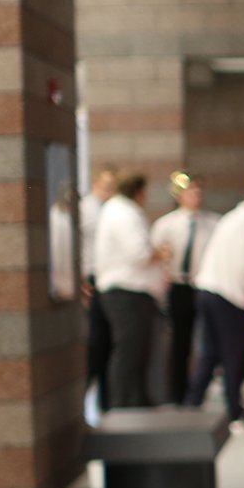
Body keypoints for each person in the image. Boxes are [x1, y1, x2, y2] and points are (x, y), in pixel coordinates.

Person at [192, 176, 244, 429]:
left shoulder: (231, 218)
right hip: (229, 296)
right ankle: (234, 410)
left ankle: (191, 403)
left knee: (210, 353)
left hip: (208, 289)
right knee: (234, 355)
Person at [93, 173, 167, 410]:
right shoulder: (124, 212)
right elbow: (138, 253)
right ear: (138, 191)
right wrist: (161, 253)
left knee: (135, 350)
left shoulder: (118, 210)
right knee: (129, 350)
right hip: (126, 291)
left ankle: (135, 399)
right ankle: (124, 402)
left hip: (125, 291)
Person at [151, 173, 218, 409]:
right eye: (191, 191)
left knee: (208, 340)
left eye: (199, 190)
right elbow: (155, 258)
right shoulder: (166, 225)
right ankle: (178, 393)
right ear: (179, 195)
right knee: (180, 342)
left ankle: (200, 390)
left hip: (204, 285)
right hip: (179, 285)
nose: (196, 195)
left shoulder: (213, 223)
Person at [80, 165, 119, 412]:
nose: (109, 191)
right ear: (94, 185)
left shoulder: (114, 210)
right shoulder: (86, 209)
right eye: (105, 186)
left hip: (107, 277)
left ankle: (106, 403)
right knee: (95, 345)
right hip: (91, 279)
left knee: (107, 344)